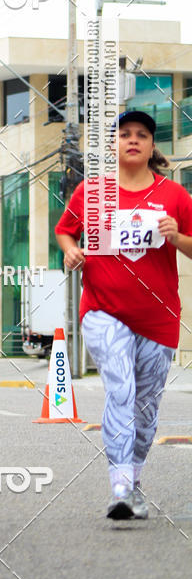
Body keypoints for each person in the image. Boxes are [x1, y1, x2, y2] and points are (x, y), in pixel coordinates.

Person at [55, 110, 192, 520]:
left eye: (142, 135)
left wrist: (177, 236)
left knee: (146, 410)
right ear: (113, 144)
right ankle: (118, 485)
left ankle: (134, 479)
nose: (133, 140)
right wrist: (70, 251)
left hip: (159, 317)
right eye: (125, 134)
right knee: (120, 390)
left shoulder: (175, 196)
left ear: (152, 147)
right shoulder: (92, 192)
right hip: (103, 309)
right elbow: (65, 229)